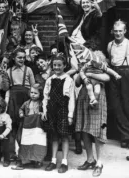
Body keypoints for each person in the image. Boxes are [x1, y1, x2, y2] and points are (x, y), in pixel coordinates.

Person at [75, 49, 110, 177]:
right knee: (84, 129)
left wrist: (90, 75)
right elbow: (77, 83)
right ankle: (90, 159)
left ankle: (99, 163)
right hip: (84, 98)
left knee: (97, 130)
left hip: (98, 100)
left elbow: (107, 77)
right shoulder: (85, 67)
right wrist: (82, 71)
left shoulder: (103, 70)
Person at [42, 55, 75, 174]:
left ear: (64, 66)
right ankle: (53, 160)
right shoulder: (49, 80)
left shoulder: (69, 80)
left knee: (64, 136)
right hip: (52, 110)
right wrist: (45, 111)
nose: (57, 67)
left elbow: (71, 99)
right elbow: (45, 97)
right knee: (54, 136)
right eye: (54, 65)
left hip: (64, 110)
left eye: (59, 65)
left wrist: (70, 115)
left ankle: (64, 162)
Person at [5, 48, 35, 160]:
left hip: (25, 99)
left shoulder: (28, 70)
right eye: (19, 57)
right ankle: (12, 153)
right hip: (13, 100)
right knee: (12, 126)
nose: (22, 59)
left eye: (23, 57)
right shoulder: (9, 71)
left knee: (25, 126)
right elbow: (6, 88)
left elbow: (33, 88)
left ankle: (25, 153)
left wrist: (32, 103)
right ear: (14, 58)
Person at [12, 84, 46, 170]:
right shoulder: (26, 103)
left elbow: (45, 112)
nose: (33, 94)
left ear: (40, 94)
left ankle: (37, 160)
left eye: (36, 93)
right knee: (26, 142)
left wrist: (42, 114)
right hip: (27, 126)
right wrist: (21, 113)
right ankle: (25, 160)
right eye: (31, 92)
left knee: (36, 143)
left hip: (37, 127)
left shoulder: (42, 103)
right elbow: (21, 109)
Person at [107, 20, 129, 148]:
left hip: (126, 72)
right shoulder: (110, 45)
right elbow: (110, 61)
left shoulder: (128, 44)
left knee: (127, 104)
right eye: (116, 31)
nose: (118, 33)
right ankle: (125, 135)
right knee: (116, 105)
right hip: (113, 73)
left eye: (120, 31)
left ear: (125, 31)